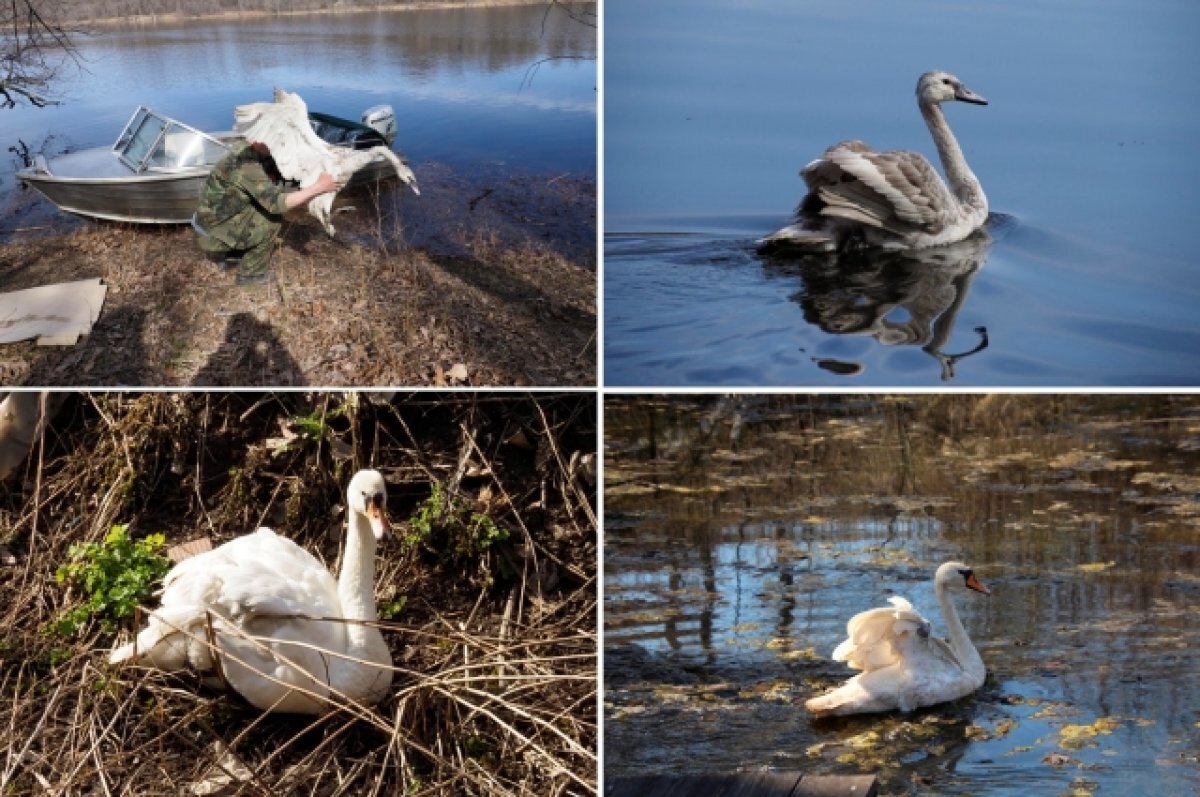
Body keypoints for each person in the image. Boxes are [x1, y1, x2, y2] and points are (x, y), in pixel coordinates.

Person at [193, 139, 340, 286]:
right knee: (272, 219)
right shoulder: (246, 166)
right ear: (257, 138)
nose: (278, 145)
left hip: (211, 222)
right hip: (212, 235)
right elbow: (277, 204)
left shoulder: (248, 148)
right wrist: (319, 187)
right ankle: (250, 275)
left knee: (260, 209)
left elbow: (277, 173)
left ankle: (233, 255)